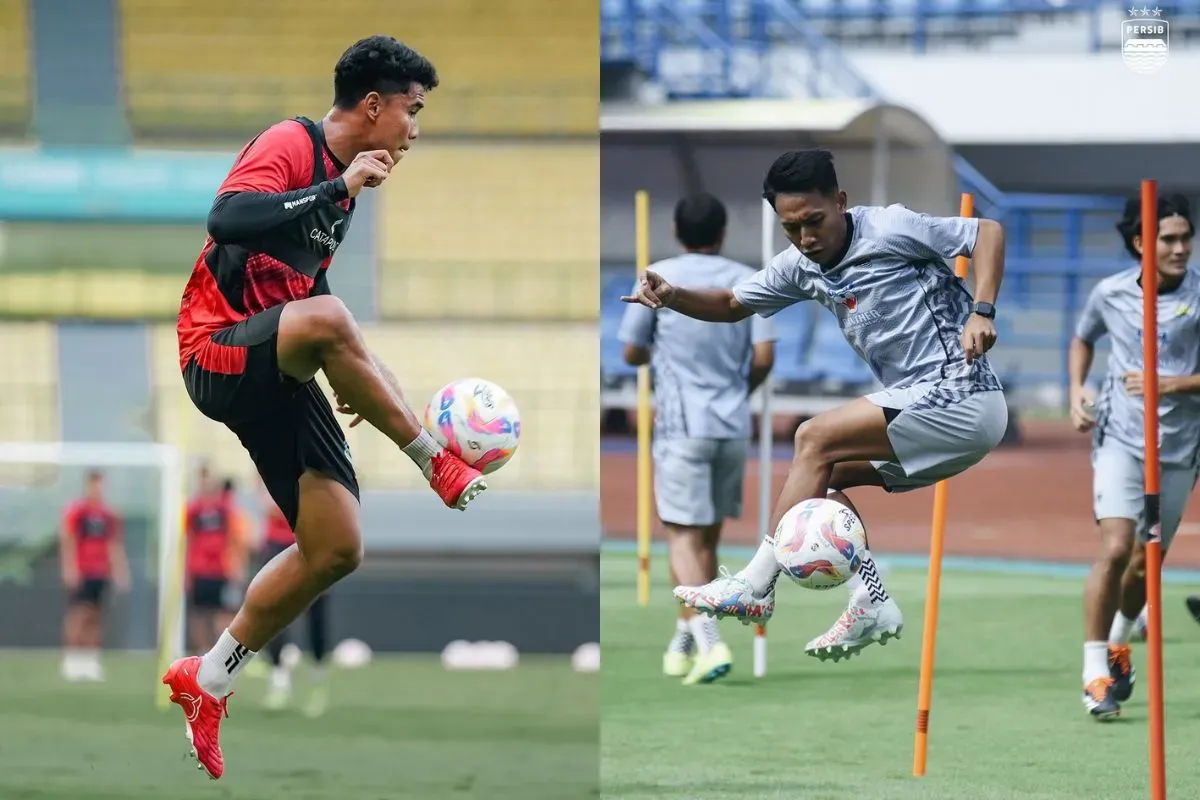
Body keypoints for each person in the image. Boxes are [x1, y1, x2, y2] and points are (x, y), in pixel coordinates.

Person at [163, 36, 486, 780]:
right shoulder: (292, 142)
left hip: (273, 365)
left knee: (337, 547)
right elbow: (227, 219)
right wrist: (337, 188)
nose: (414, 129)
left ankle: (208, 678)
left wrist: (366, 378)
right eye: (412, 110)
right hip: (214, 351)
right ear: (372, 105)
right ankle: (431, 462)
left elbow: (307, 298)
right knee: (337, 323)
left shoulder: (342, 202)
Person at [623, 148, 1008, 662]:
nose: (805, 237)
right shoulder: (800, 266)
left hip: (962, 394)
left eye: (814, 221)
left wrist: (981, 312)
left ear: (841, 201)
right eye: (791, 228)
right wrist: (673, 297)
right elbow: (734, 305)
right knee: (820, 486)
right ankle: (869, 597)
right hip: (928, 413)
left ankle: (755, 586)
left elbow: (987, 233)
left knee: (812, 436)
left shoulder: (890, 226)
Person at [618, 192, 775, 686]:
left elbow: (630, 352)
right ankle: (683, 639)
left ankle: (709, 639)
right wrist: (735, 392)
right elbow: (766, 358)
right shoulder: (748, 279)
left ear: (677, 232)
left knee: (683, 537)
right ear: (723, 233)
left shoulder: (657, 275)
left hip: (682, 424)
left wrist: (661, 353)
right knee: (704, 537)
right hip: (732, 424)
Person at [1068, 192, 1199, 720]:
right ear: (1141, 242)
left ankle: (1121, 640)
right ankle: (1094, 673)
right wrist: (1077, 388)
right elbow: (1082, 337)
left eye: (1186, 237)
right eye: (1168, 238)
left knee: (1146, 569)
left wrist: (1170, 384)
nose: (1181, 247)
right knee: (1117, 547)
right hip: (1121, 438)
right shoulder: (1112, 292)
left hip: (1181, 446)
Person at [259, 479, 332, 717]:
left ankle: (318, 679)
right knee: (273, 609)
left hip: (313, 540)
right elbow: (268, 502)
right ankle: (279, 679)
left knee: (316, 612)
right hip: (277, 543)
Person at [59, 469, 130, 682]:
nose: (98, 489)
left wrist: (120, 570)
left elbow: (114, 545)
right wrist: (69, 568)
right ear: (87, 486)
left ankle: (90, 660)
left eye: (102, 485)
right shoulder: (77, 511)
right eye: (95, 484)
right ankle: (72, 660)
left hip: (102, 572)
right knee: (79, 615)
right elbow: (68, 541)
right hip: (83, 571)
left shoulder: (109, 514)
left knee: (97, 615)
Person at [184, 467, 252, 654]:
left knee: (222, 613)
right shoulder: (193, 510)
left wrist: (236, 566)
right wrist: (186, 571)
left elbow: (234, 539)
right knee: (199, 613)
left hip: (220, 570)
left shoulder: (225, 510)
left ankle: (218, 653)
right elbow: (188, 539)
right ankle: (201, 651)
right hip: (198, 569)